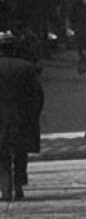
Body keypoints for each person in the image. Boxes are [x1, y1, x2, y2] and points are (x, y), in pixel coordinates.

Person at [0, 30, 44, 202]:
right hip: (22, 117)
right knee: (20, 153)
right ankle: (18, 184)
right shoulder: (27, 68)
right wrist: (33, 115)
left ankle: (5, 187)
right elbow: (37, 95)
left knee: (2, 153)